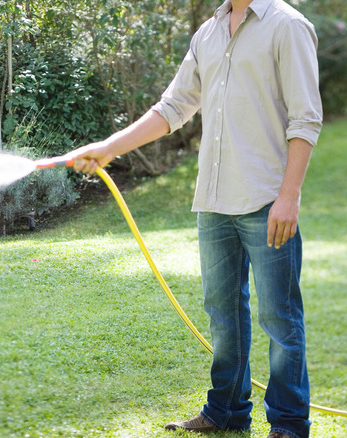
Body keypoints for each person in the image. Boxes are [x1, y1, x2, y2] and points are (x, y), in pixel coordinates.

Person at [64, 0, 322, 437]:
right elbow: (173, 107)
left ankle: (289, 424)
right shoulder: (208, 32)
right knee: (223, 316)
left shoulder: (287, 25)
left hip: (267, 200)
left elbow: (306, 119)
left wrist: (289, 196)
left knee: (280, 318)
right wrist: (111, 146)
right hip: (214, 201)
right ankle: (226, 412)